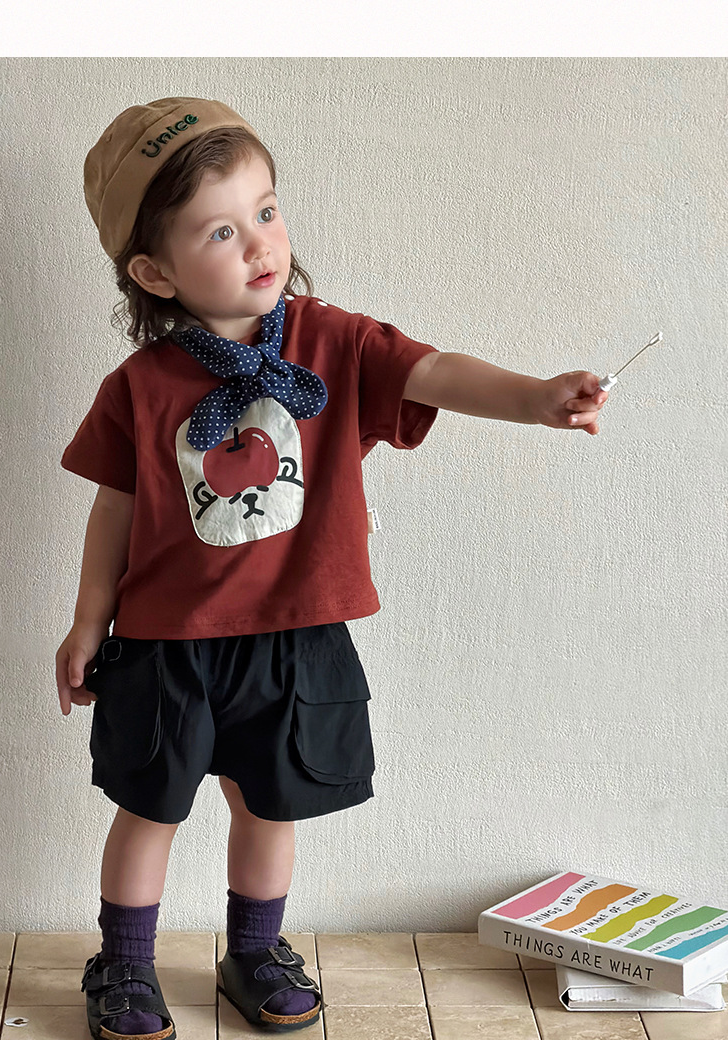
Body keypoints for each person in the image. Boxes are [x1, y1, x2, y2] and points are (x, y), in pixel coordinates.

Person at [55, 96, 609, 1037]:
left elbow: (433, 372)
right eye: (220, 231)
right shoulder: (139, 388)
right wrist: (86, 622)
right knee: (149, 808)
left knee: (270, 807)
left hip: (296, 634)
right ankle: (126, 962)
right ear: (154, 272)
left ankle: (254, 950)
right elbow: (115, 507)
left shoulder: (333, 343)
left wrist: (536, 397)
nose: (259, 243)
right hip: (166, 642)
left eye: (266, 211)